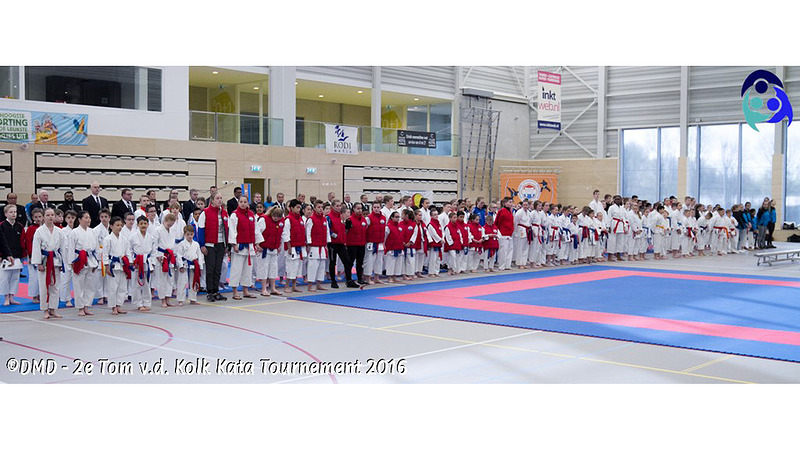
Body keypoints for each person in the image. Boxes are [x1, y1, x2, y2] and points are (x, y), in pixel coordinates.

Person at [31, 207, 64, 319]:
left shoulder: (60, 231)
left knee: (55, 286)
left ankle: (53, 309)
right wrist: (38, 262)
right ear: (44, 217)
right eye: (48, 215)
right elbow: (36, 248)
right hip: (44, 261)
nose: (50, 217)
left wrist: (63, 263)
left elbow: (63, 248)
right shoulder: (39, 231)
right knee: (44, 286)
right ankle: (45, 309)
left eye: (52, 215)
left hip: (55, 260)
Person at [197, 193, 229, 302]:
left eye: (221, 198)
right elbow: (200, 230)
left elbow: (226, 230)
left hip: (221, 244)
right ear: (212, 200)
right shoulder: (205, 213)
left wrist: (226, 244)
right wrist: (202, 245)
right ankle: (209, 292)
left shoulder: (224, 213)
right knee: (210, 269)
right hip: (210, 245)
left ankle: (216, 291)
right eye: (217, 198)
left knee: (218, 269)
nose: (219, 200)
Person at [228, 196, 261, 300]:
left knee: (248, 270)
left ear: (248, 203)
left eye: (245, 202)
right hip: (239, 245)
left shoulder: (251, 215)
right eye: (241, 202)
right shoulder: (234, 215)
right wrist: (234, 244)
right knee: (236, 269)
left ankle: (246, 290)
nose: (243, 203)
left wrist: (257, 243)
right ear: (238, 203)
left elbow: (256, 230)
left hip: (250, 245)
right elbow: (232, 230)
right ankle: (235, 291)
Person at [70, 211, 100, 316]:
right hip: (79, 259)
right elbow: (71, 249)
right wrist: (72, 262)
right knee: (79, 285)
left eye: (89, 217)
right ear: (79, 219)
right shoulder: (74, 232)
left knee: (90, 286)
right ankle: (80, 307)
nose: (88, 220)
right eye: (86, 217)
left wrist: (97, 261)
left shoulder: (92, 232)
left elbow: (96, 248)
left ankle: (87, 306)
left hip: (91, 260)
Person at [101, 216, 130, 315]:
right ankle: (113, 307)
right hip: (112, 265)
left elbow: (128, 252)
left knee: (122, 287)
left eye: (121, 225)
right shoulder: (107, 239)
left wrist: (129, 263)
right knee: (113, 288)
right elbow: (104, 254)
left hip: (122, 265)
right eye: (117, 225)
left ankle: (119, 305)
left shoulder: (124, 239)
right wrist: (106, 266)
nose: (120, 227)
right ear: (111, 226)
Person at [327, 200, 358, 288]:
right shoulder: (329, 217)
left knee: (347, 261)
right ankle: (333, 281)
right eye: (337, 206)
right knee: (333, 263)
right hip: (333, 243)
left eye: (340, 206)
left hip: (341, 243)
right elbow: (328, 229)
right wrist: (334, 235)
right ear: (332, 207)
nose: (339, 207)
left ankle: (349, 280)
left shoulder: (341, 217)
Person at [256, 206, 284, 297]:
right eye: (275, 216)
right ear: (272, 214)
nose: (276, 219)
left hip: (274, 248)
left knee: (273, 268)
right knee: (264, 268)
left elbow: (280, 234)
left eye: (278, 217)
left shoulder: (280, 222)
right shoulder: (263, 219)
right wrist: (257, 244)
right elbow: (257, 232)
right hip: (264, 249)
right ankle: (264, 288)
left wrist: (279, 245)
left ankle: (273, 288)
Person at [129, 216, 156, 311]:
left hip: (147, 262)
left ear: (148, 224)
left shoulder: (151, 237)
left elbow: (153, 252)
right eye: (141, 224)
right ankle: (138, 303)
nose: (143, 225)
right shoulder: (133, 237)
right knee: (136, 284)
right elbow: (130, 250)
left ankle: (147, 302)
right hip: (137, 261)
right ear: (137, 225)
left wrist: (152, 263)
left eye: (145, 223)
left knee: (147, 283)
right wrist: (132, 261)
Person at [1, 204, 26, 306]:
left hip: (17, 256)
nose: (13, 214)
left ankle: (12, 297)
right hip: (5, 256)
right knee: (5, 278)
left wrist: (23, 254)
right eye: (11, 212)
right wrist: (5, 255)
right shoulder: (2, 225)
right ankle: (6, 297)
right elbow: (2, 241)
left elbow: (22, 242)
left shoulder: (19, 226)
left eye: (15, 212)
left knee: (15, 278)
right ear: (5, 214)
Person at [282, 200, 307, 294]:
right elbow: (286, 234)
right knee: (290, 267)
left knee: (297, 267)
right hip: (291, 247)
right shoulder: (288, 219)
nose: (298, 209)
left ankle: (294, 285)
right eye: (297, 207)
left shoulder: (300, 219)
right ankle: (287, 286)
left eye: (299, 207)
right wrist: (288, 247)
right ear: (291, 208)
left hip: (300, 246)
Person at [175, 225, 203, 306]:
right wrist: (180, 266)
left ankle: (193, 299)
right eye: (188, 234)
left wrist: (200, 266)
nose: (190, 236)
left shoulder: (196, 244)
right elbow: (179, 255)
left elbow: (199, 256)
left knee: (194, 282)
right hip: (185, 265)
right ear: (184, 234)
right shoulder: (181, 244)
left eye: (191, 234)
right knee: (182, 282)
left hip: (194, 265)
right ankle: (180, 299)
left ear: (193, 234)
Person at [305, 200, 330, 292]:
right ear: (314, 208)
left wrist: (327, 243)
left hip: (322, 245)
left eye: (321, 207)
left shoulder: (324, 219)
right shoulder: (311, 219)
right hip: (314, 246)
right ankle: (310, 285)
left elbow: (327, 232)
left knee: (321, 265)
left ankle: (319, 284)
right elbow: (308, 233)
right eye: (318, 207)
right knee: (313, 265)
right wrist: (309, 244)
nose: (320, 209)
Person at [364, 201, 386, 285]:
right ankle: (368, 277)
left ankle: (377, 277)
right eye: (374, 207)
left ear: (380, 208)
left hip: (380, 242)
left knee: (379, 261)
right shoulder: (368, 218)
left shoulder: (383, 218)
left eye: (378, 207)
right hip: (371, 243)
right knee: (369, 261)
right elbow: (365, 230)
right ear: (372, 208)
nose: (376, 209)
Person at [344, 203, 367, 285]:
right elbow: (345, 232)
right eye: (357, 208)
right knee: (350, 262)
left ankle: (360, 278)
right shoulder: (349, 220)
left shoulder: (364, 220)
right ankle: (348, 279)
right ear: (353, 209)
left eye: (361, 208)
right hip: (352, 244)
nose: (359, 210)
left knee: (360, 262)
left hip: (361, 244)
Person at [25, 208, 43, 304]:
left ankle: (41, 294)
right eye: (36, 217)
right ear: (32, 218)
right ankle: (34, 296)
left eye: (40, 216)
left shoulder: (44, 228)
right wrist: (31, 255)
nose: (38, 219)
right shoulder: (31, 229)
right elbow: (28, 242)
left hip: (43, 255)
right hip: (33, 255)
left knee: (42, 276)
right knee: (34, 277)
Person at [93, 209, 111, 306]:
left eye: (106, 217)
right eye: (102, 217)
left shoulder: (111, 228)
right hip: (100, 253)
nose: (104, 219)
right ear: (99, 218)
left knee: (108, 276)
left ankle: (106, 294)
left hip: (109, 254)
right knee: (100, 276)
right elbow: (95, 244)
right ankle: (100, 296)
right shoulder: (96, 230)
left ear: (109, 218)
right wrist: (99, 254)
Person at [383, 211, 405, 283]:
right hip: (391, 248)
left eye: (398, 217)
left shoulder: (399, 227)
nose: (397, 218)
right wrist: (384, 246)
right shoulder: (388, 226)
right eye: (396, 217)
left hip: (399, 246)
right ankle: (389, 277)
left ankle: (395, 276)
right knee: (391, 263)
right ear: (392, 218)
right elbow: (384, 237)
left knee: (398, 263)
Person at [494, 197, 515, 270]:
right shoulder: (501, 211)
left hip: (510, 233)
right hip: (503, 233)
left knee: (509, 250)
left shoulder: (510, 212)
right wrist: (498, 232)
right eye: (509, 202)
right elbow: (497, 222)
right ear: (504, 203)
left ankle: (507, 265)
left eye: (511, 202)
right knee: (503, 251)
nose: (511, 203)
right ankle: (501, 266)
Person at [426, 207, 444, 277]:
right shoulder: (430, 224)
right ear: (431, 216)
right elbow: (434, 234)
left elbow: (442, 232)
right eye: (434, 215)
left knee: (438, 258)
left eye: (437, 214)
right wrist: (440, 239)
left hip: (439, 243)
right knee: (433, 259)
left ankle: (436, 272)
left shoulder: (438, 224)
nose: (436, 216)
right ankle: (431, 272)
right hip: (434, 243)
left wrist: (442, 238)